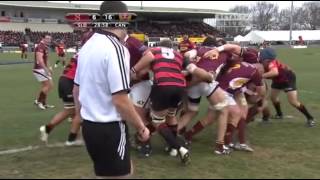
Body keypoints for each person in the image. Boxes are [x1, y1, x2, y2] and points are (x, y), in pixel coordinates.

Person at [73, 1, 150, 178]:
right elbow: (120, 100)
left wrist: (82, 117)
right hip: (109, 128)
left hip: (90, 127)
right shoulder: (116, 49)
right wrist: (141, 127)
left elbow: (76, 90)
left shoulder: (87, 46)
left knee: (111, 172)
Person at [131, 39, 214, 164]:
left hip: (163, 86)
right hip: (179, 87)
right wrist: (209, 77)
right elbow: (195, 71)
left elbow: (144, 68)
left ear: (160, 46)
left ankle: (179, 148)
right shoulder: (179, 55)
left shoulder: (154, 50)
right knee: (171, 115)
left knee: (157, 121)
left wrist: (133, 72)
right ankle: (172, 148)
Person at [259, 47, 315, 127]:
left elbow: (274, 72)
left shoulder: (271, 63)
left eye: (262, 55)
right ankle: (279, 114)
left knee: (293, 102)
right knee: (273, 97)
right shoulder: (264, 62)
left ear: (266, 57)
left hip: (288, 79)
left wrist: (260, 76)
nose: (260, 56)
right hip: (278, 80)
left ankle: (310, 118)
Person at [39, 53, 83, 146]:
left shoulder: (82, 52)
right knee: (76, 111)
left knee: (72, 111)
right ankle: (72, 139)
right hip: (70, 82)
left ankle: (48, 129)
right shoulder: (90, 52)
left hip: (65, 80)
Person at [32, 34, 55, 110]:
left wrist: (50, 67)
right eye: (47, 38)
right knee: (48, 85)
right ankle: (39, 102)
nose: (49, 40)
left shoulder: (45, 47)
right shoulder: (40, 46)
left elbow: (46, 59)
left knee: (49, 86)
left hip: (43, 69)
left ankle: (42, 102)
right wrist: (46, 70)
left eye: (50, 39)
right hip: (39, 69)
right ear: (43, 38)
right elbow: (40, 59)